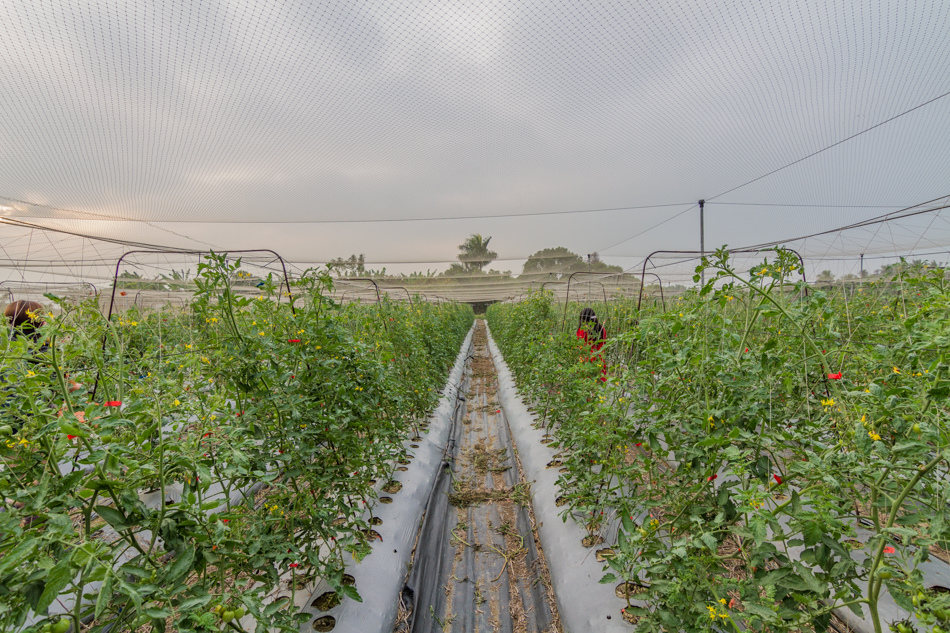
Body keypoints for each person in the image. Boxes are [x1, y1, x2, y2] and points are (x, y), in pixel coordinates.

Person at [576, 307, 607, 381]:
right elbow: (603, 345)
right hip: (599, 361)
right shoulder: (601, 329)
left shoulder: (582, 330)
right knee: (598, 385)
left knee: (585, 384)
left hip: (585, 362)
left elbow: (579, 346)